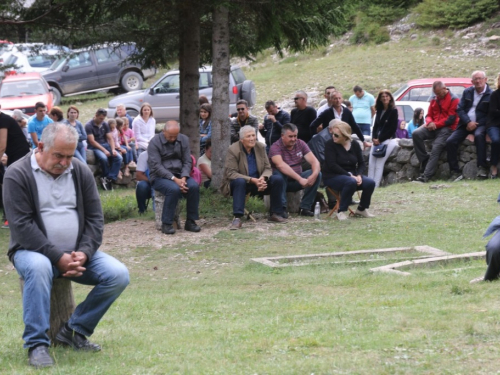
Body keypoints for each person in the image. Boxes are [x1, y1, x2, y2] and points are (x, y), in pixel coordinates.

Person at [3, 123, 129, 368]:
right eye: (58, 155)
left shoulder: (79, 171)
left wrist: (84, 252)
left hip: (76, 253)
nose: (64, 162)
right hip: (30, 251)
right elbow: (21, 225)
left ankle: (74, 330)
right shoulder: (17, 174)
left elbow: (95, 219)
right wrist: (57, 257)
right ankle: (37, 345)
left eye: (69, 156)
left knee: (118, 275)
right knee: (40, 268)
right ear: (41, 146)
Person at [221, 125, 287, 230]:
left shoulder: (260, 147)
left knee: (277, 179)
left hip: (258, 182)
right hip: (241, 184)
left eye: (253, 135)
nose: (252, 139)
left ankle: (275, 213)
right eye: (248, 136)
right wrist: (252, 180)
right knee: (239, 182)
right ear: (241, 139)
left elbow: (268, 168)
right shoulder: (233, 149)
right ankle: (237, 218)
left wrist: (262, 179)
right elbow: (231, 173)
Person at [148, 121, 201, 235]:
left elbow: (187, 161)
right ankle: (166, 223)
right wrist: (173, 179)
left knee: (194, 187)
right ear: (163, 132)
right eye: (170, 136)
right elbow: (156, 166)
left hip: (180, 175)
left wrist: (184, 177)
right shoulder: (154, 142)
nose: (173, 139)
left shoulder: (183, 139)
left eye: (175, 136)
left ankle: (191, 221)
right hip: (159, 177)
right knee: (173, 189)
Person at [322, 121, 376, 221]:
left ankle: (361, 209)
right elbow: (332, 165)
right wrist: (350, 175)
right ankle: (341, 211)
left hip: (352, 175)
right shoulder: (330, 144)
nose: (333, 136)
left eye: (336, 135)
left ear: (345, 135)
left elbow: (361, 163)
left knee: (370, 183)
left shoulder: (355, 144)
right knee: (350, 182)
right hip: (332, 176)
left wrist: (359, 175)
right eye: (332, 134)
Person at [446, 71, 492, 181]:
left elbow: (490, 114)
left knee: (479, 136)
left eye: (480, 78)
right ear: (472, 81)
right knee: (450, 141)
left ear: (485, 79)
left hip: (480, 124)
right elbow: (460, 108)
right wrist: (468, 122)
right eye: (475, 79)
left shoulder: (491, 94)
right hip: (465, 124)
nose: (478, 81)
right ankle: (455, 171)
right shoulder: (467, 91)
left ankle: (482, 168)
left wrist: (476, 124)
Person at [269, 123, 321, 217]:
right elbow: (280, 165)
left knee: (318, 174)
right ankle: (282, 208)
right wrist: (300, 179)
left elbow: (315, 162)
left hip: (298, 180)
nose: (293, 139)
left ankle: (305, 207)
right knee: (280, 174)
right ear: (282, 136)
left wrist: (314, 175)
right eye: (290, 136)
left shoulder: (300, 143)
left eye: (295, 136)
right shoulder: (275, 147)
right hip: (282, 183)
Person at [413, 81, 460, 183]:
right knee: (416, 134)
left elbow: (451, 119)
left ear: (445, 88)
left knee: (436, 147)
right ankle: (425, 160)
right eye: (436, 94)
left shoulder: (454, 99)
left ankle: (426, 176)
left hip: (447, 128)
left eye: (439, 93)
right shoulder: (434, 99)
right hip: (433, 126)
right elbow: (428, 115)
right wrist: (429, 122)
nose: (437, 96)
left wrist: (435, 124)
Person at [0, 105, 31, 228]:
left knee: (12, 185)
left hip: (20, 155)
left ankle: (10, 218)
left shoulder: (3, 120)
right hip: (13, 156)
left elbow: (2, 146)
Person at [85, 108, 123, 191]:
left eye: (103, 118)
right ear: (96, 115)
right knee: (103, 158)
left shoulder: (104, 124)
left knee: (119, 158)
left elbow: (110, 138)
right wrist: (104, 150)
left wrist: (113, 149)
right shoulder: (89, 125)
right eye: (100, 118)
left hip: (106, 145)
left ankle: (109, 178)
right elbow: (92, 141)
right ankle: (105, 176)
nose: (102, 120)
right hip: (95, 147)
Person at [368, 89, 399, 187]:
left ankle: (375, 186)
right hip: (376, 140)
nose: (385, 98)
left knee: (379, 164)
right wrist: (374, 138)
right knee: (371, 163)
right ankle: (369, 184)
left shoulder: (393, 111)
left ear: (390, 98)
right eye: (383, 97)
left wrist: (380, 139)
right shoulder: (379, 111)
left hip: (388, 140)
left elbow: (392, 129)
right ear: (380, 99)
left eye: (387, 96)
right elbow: (375, 126)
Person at [487, 73, 500, 178]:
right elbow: (492, 111)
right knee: (496, 140)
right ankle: (494, 166)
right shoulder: (494, 94)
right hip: (494, 124)